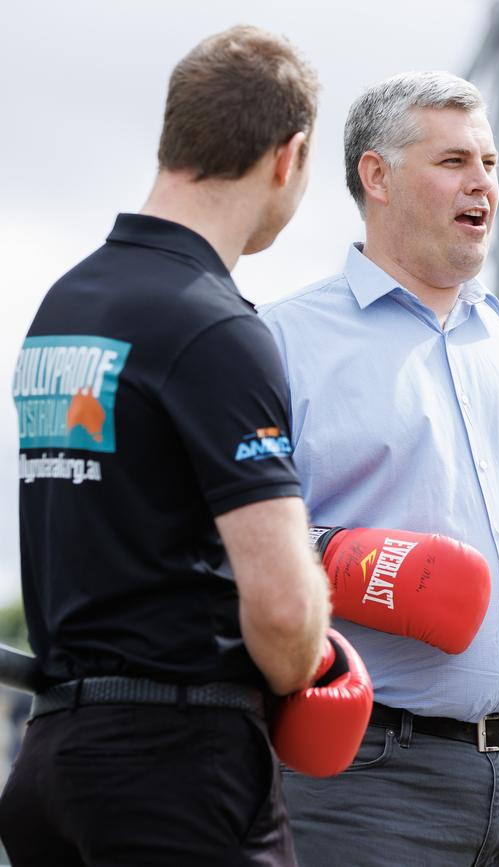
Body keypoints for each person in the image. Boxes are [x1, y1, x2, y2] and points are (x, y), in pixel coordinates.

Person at [258, 71, 499, 866]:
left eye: (493, 163)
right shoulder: (282, 340)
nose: (484, 183)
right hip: (369, 778)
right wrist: (358, 562)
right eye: (453, 161)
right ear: (377, 176)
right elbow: (235, 539)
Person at [0, 26, 336, 867]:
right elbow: (287, 612)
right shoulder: (217, 326)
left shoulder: (65, 305)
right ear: (288, 157)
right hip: (176, 771)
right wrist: (314, 658)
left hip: (49, 766)